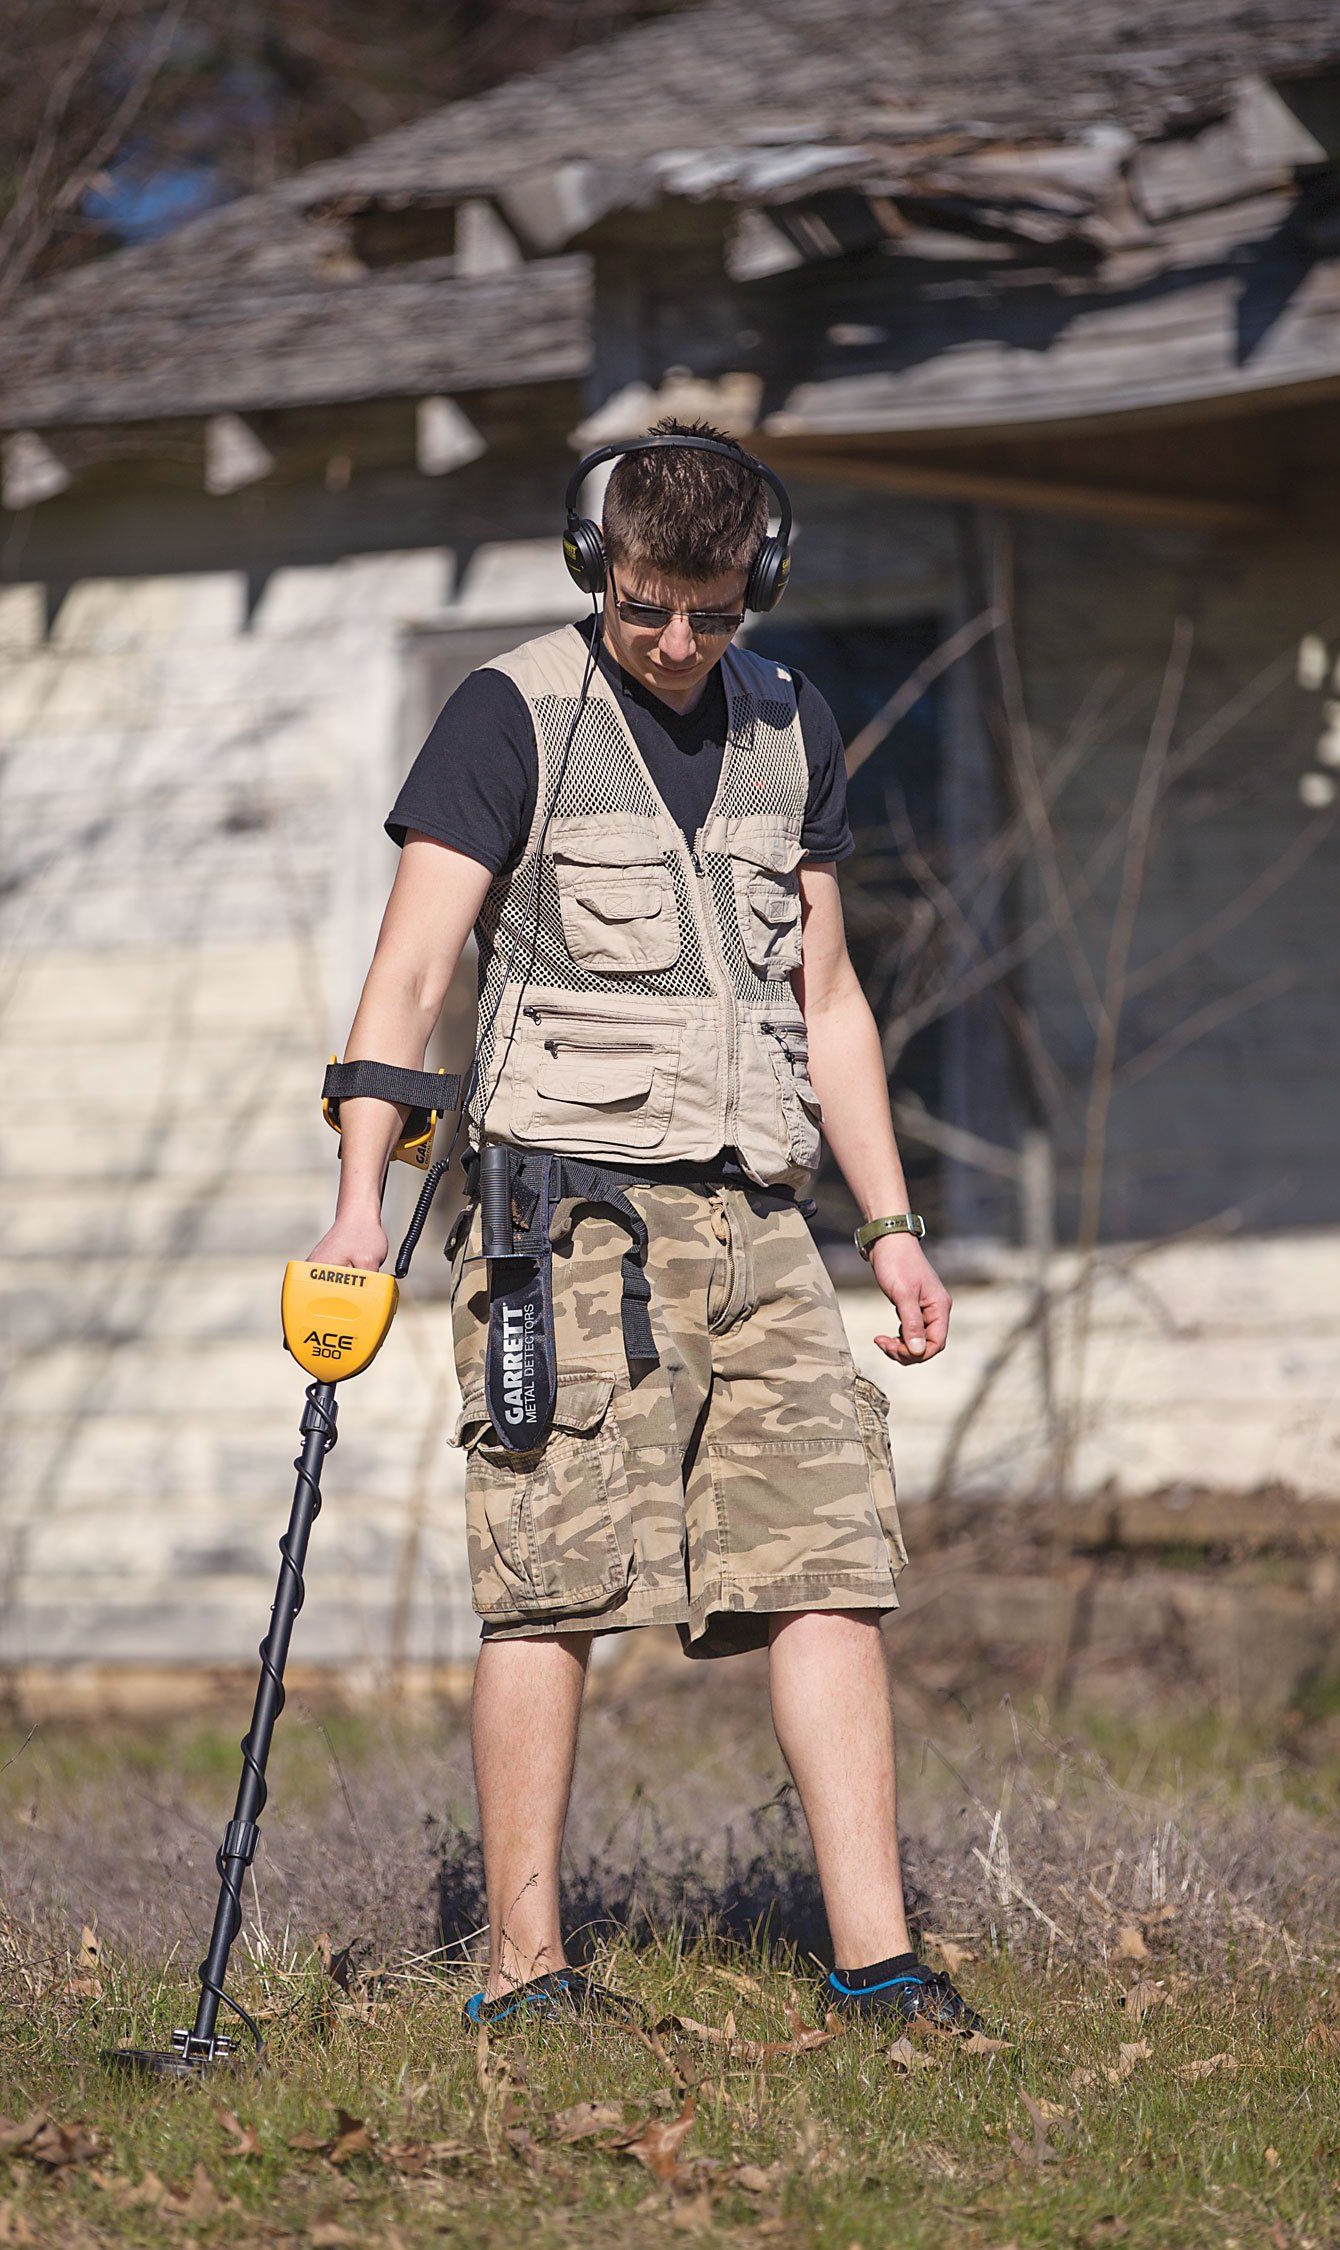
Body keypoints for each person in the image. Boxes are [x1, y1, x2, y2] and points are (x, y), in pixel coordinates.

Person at [306, 419, 985, 2036]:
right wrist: (355, 1204)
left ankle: (878, 1967)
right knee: (551, 1584)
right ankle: (524, 1969)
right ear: (592, 567)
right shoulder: (510, 716)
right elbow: (407, 979)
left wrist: (889, 1221)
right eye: (643, 604)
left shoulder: (788, 722)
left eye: (708, 610)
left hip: (765, 1224)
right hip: (570, 1222)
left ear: (755, 584)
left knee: (835, 1567)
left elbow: (827, 999)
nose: (675, 641)